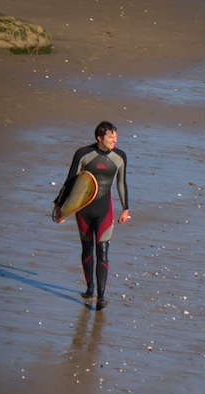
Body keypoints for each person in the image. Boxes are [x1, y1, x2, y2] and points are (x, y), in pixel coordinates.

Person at [53, 121, 129, 310]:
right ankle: (90, 289)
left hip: (105, 209)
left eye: (116, 136)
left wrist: (125, 208)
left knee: (102, 251)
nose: (114, 140)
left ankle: (101, 296)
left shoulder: (119, 156)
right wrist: (60, 206)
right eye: (110, 136)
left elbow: (121, 183)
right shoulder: (83, 154)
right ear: (99, 138)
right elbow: (71, 180)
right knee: (87, 249)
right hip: (84, 209)